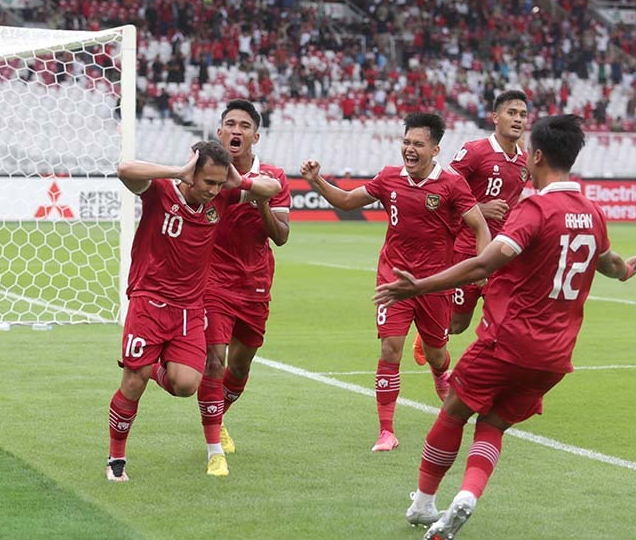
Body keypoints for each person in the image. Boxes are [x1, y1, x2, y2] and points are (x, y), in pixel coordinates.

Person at [374, 115, 636, 539]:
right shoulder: (593, 213)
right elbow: (610, 263)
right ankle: (467, 495)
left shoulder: (535, 209)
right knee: (494, 423)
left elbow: (484, 263)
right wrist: (627, 271)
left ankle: (425, 503)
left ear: (536, 155)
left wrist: (418, 287)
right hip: (555, 357)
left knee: (454, 411)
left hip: (507, 342)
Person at [300, 112, 491, 452]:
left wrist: (485, 264)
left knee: (437, 354)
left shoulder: (451, 184)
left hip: (435, 282)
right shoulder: (389, 178)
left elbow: (479, 226)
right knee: (390, 348)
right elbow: (346, 201)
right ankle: (386, 430)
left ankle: (439, 374)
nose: (410, 149)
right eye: (406, 142)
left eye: (418, 144)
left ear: (435, 150)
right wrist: (317, 180)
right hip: (394, 278)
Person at [106, 141, 281, 482]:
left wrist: (238, 182)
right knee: (133, 382)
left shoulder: (222, 197)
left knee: (186, 384)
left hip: (189, 308)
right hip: (149, 301)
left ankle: (153, 366)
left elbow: (272, 188)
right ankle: (116, 458)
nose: (213, 190)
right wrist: (178, 171)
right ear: (192, 174)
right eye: (208, 182)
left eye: (219, 183)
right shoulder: (160, 192)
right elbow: (125, 170)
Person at [196, 99, 291, 477]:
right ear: (220, 132)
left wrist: (261, 204)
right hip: (213, 281)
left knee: (240, 364)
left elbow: (281, 237)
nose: (236, 130)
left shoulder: (274, 176)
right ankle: (213, 449)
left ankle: (217, 418)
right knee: (214, 360)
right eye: (230, 124)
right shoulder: (206, 171)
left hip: (255, 283)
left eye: (244, 125)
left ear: (255, 135)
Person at [412, 89, 529, 366]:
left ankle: (492, 371)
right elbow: (444, 188)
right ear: (495, 117)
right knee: (457, 324)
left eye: (523, 114)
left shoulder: (525, 161)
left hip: (502, 253)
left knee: (505, 320)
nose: (518, 119)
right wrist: (480, 208)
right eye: (511, 113)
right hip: (467, 250)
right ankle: (428, 335)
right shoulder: (475, 151)